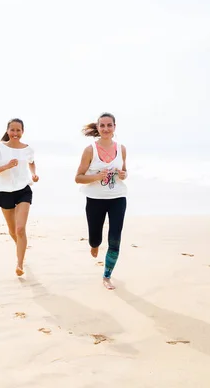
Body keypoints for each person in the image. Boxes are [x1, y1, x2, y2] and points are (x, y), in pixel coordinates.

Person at [75, 113, 128, 290]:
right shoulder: (90, 150)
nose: (106, 129)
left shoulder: (121, 149)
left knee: (115, 238)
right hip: (95, 199)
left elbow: (125, 172)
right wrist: (97, 176)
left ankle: (107, 275)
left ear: (114, 127)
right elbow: (78, 178)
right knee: (95, 238)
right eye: (102, 125)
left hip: (118, 198)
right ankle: (94, 244)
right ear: (98, 128)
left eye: (109, 125)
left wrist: (123, 175)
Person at [0, 118, 39, 276]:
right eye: (13, 130)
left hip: (23, 189)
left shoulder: (28, 149)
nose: (15, 133)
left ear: (22, 132)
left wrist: (34, 174)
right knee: (12, 230)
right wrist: (7, 166)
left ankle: (20, 264)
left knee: (20, 228)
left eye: (18, 130)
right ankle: (21, 247)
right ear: (8, 131)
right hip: (4, 191)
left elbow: (31, 162)